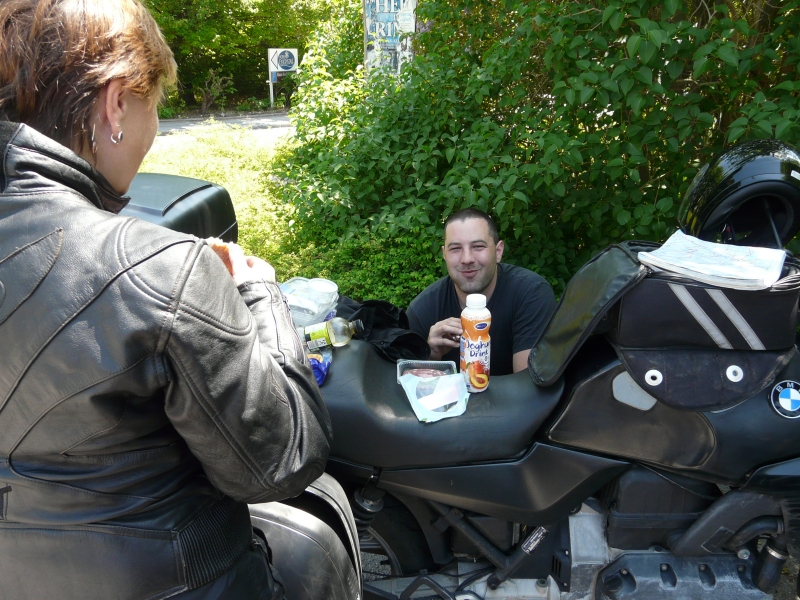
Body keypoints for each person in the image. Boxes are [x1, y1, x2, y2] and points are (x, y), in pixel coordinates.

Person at [0, 1, 331, 599]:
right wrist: (259, 289)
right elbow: (282, 462)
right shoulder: (159, 268)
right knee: (317, 545)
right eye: (154, 104)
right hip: (179, 583)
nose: (154, 128)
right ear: (115, 104)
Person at [407, 208, 556, 375]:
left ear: (498, 251)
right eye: (455, 248)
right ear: (444, 254)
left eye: (478, 246)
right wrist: (431, 356)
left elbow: (528, 383)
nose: (467, 259)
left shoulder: (531, 294)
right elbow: (406, 384)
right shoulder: (423, 310)